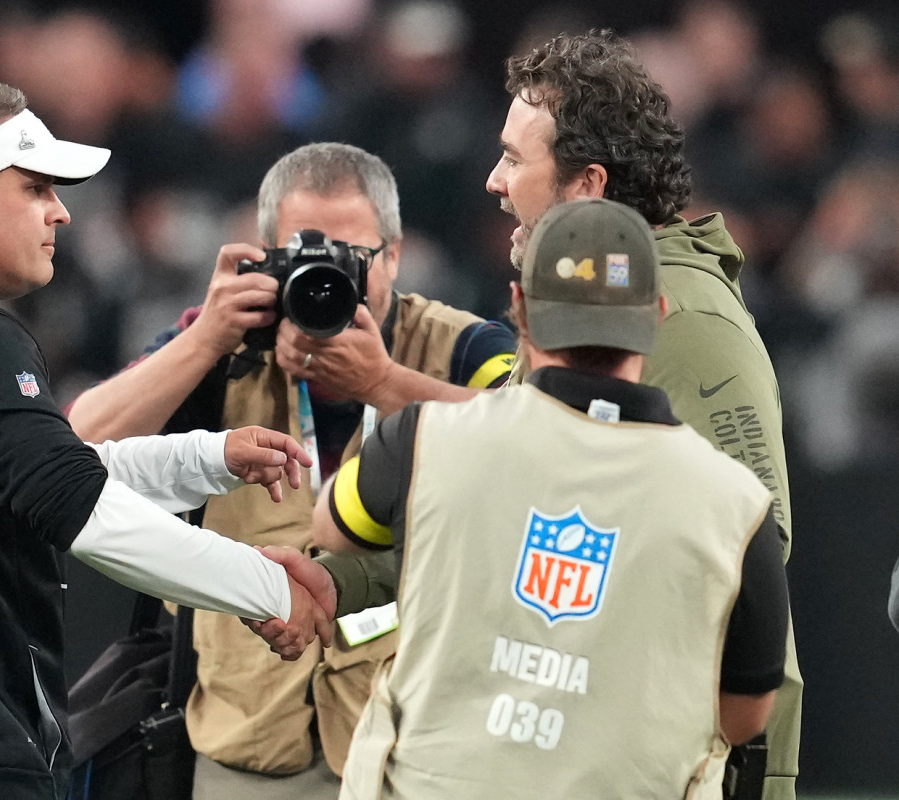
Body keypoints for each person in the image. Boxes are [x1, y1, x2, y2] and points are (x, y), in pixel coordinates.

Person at [260, 30, 799, 800]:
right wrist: (342, 592)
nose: (493, 180)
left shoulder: (694, 326)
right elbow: (520, 516)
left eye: (515, 158)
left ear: (586, 185)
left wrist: (391, 390)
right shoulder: (584, 315)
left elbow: (749, 558)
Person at [0, 81, 336, 800]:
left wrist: (203, 457)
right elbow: (79, 507)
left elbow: (25, 470)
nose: (61, 211)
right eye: (37, 187)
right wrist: (268, 589)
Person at [66, 141, 516, 797]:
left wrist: (385, 383)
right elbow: (73, 446)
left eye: (352, 259)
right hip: (247, 746)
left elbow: (541, 443)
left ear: (395, 253)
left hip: (413, 747)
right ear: (266, 256)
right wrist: (202, 339)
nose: (327, 280)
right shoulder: (220, 345)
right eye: (304, 256)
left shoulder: (462, 344)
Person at [309, 198, 789, 800]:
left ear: (520, 311)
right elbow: (743, 716)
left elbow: (330, 526)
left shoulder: (423, 438)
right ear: (659, 314)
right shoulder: (739, 507)